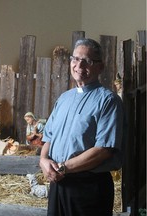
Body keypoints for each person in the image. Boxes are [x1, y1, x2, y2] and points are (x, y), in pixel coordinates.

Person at [40, 38, 124, 216]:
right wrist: (43, 161)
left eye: (87, 61)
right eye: (75, 59)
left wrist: (63, 168)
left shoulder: (108, 101)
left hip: (89, 188)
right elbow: (49, 137)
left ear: (100, 67)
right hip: (59, 184)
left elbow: (104, 150)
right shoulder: (64, 98)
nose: (79, 65)